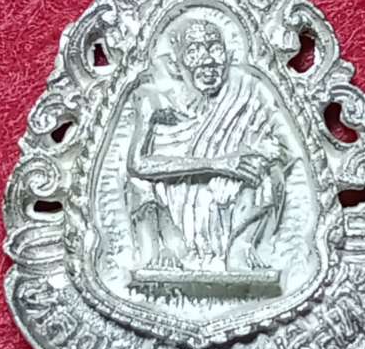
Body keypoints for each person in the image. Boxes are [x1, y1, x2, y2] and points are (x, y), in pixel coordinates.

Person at [126, 21, 301, 274]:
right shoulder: (153, 99)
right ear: (175, 64)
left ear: (228, 57)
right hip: (170, 206)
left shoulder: (247, 94)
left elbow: (285, 149)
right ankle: (158, 250)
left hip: (228, 202)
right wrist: (218, 165)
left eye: (215, 49)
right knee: (138, 183)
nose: (207, 60)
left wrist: (259, 155)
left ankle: (242, 248)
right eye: (194, 51)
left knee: (265, 168)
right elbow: (137, 165)